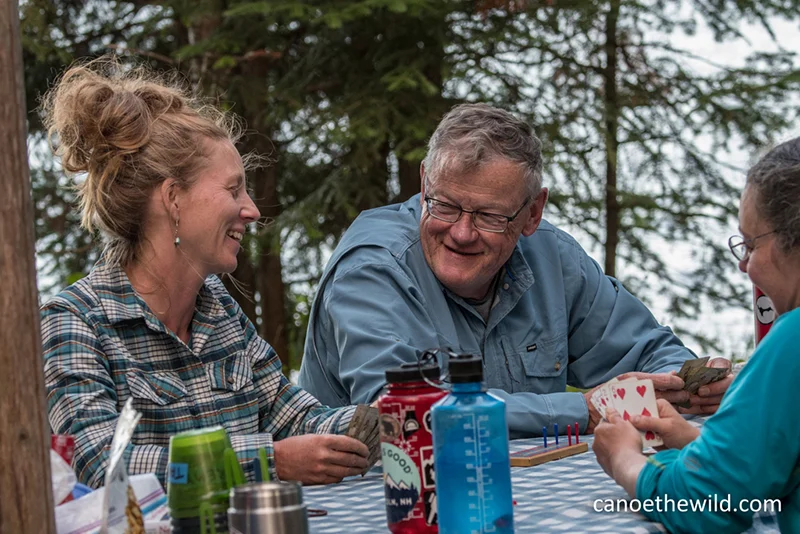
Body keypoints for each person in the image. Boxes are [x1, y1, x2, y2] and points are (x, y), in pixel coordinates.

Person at [298, 103, 732, 437]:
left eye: (490, 216)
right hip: (382, 506)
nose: (462, 233)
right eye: (445, 205)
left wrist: (687, 381)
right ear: (424, 182)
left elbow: (642, 350)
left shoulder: (553, 256)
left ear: (532, 212)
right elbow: (405, 413)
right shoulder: (372, 268)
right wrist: (585, 409)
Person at [40, 58, 372, 489]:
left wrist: (392, 415)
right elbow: (99, 464)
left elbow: (298, 419)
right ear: (173, 198)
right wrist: (266, 463)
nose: (251, 210)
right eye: (234, 189)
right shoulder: (73, 323)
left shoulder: (221, 316)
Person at [593, 137, 800, 532]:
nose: (744, 266)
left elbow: (707, 503)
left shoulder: (792, 340)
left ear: (791, 240)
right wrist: (696, 442)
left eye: (750, 245)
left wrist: (625, 461)